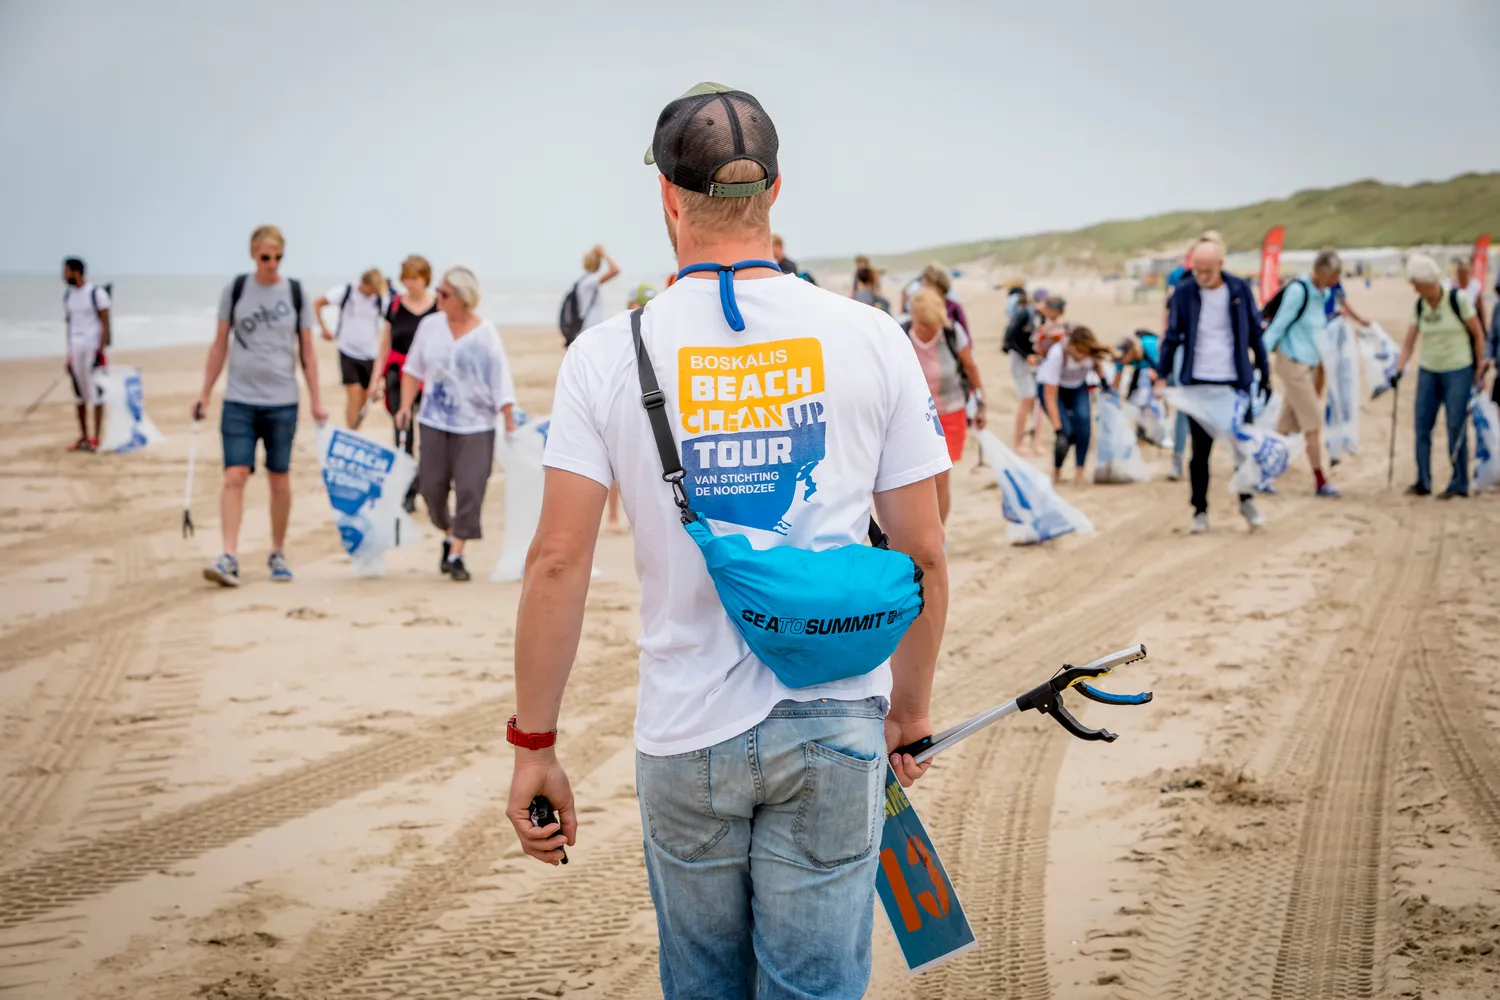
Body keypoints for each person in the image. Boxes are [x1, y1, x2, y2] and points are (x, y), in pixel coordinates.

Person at [507, 84, 947, 999]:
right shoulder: (871, 338)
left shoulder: (607, 354)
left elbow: (557, 561)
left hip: (684, 727)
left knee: (703, 984)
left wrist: (535, 743)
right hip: (835, 713)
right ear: (775, 191)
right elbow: (926, 553)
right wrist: (909, 709)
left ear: (669, 197)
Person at [196, 225, 327, 586]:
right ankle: (229, 556)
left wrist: (316, 399)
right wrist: (204, 393)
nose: (271, 263)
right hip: (239, 400)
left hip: (282, 401)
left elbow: (308, 351)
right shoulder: (236, 290)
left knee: (279, 478)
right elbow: (219, 345)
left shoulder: (296, 292)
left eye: (278, 257)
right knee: (234, 475)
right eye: (265, 257)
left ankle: (278, 552)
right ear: (253, 254)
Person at [396, 267, 516, 580]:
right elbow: (412, 369)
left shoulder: (485, 332)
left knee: (470, 490)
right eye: (438, 291)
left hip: (477, 425)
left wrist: (508, 417)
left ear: (463, 298)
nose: (438, 297)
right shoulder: (430, 326)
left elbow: (500, 377)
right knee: (430, 489)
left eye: (444, 293)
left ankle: (456, 554)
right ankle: (450, 533)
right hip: (434, 421)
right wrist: (405, 407)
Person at [1154, 235, 1269, 534]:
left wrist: (1264, 372)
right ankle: (1200, 510)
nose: (1202, 276)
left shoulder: (1239, 289)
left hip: (1234, 382)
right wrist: (1161, 374)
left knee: (1243, 448)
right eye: (1197, 270)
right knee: (1200, 453)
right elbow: (1172, 336)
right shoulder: (1184, 292)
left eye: (1208, 270)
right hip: (1199, 383)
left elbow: (1255, 334)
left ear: (1220, 265)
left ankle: (1246, 500)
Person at [1394, 253, 1486, 498]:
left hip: (1458, 370)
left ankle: (1459, 482)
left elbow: (1478, 334)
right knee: (1422, 424)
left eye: (1416, 284)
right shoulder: (1420, 306)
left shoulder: (1457, 300)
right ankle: (1423, 480)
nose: (1414, 289)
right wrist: (1399, 369)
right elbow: (1409, 341)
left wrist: (1479, 369)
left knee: (1456, 425)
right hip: (1429, 370)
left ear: (1428, 281)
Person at [1262, 248, 1343, 497]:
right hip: (1292, 363)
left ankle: (1263, 474)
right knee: (1313, 422)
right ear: (1321, 272)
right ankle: (1320, 480)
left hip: (1308, 365)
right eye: (1334, 275)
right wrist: (1259, 358)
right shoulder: (1299, 291)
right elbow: (1278, 325)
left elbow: (1314, 328)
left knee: (1285, 426)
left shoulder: (1323, 294)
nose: (1337, 280)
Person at [905, 288, 985, 521]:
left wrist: (981, 403)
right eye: (926, 325)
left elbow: (970, 367)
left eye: (936, 324)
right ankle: (921, 527)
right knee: (917, 478)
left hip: (950, 412)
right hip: (914, 417)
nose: (933, 329)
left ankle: (939, 532)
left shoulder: (952, 333)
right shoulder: (901, 334)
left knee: (940, 476)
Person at [371, 255, 439, 513]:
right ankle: (407, 492)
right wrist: (376, 378)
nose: (410, 283)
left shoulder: (438, 307)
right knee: (403, 432)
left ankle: (426, 484)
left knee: (430, 436)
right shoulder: (396, 305)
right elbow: (385, 344)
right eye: (406, 278)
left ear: (425, 279)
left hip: (429, 377)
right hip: (398, 375)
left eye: (415, 278)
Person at [315, 268, 388, 428]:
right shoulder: (346, 291)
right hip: (348, 351)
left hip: (370, 354)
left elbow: (391, 321)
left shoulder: (379, 299)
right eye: (371, 290)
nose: (372, 293)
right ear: (364, 283)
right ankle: (351, 432)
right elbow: (317, 303)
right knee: (354, 394)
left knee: (365, 400)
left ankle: (355, 428)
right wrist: (324, 328)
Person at [1039, 326, 1112, 485]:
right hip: (1054, 390)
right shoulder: (1057, 355)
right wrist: (1058, 430)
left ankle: (1079, 472)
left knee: (1084, 425)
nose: (1082, 356)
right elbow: (1049, 396)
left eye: (1086, 353)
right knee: (1066, 433)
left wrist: (1105, 384)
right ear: (1071, 345)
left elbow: (1097, 366)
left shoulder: (1090, 352)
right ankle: (1056, 472)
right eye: (1079, 352)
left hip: (1078, 387)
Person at [61, 257, 110, 452]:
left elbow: (105, 322)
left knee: (97, 393)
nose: (64, 276)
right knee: (79, 394)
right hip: (76, 348)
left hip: (92, 347)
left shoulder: (96, 293)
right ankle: (83, 436)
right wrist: (69, 354)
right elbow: (70, 325)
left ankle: (96, 437)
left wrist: (101, 349)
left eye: (66, 272)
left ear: (76, 272)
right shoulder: (68, 296)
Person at [1002, 287, 1043, 454]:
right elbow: (1010, 340)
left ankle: (1037, 442)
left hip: (1035, 361)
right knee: (1027, 398)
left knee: (1039, 401)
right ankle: (1018, 442)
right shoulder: (1024, 315)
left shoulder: (1041, 317)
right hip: (1020, 359)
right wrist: (1027, 356)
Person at [573, 245, 621, 334]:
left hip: (587, 325)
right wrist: (604, 254)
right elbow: (615, 270)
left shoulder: (584, 280)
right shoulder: (590, 280)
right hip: (591, 326)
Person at [919, 263, 972, 340]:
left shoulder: (954, 308)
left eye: (928, 286)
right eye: (923, 285)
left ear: (939, 286)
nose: (924, 290)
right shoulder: (920, 309)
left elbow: (966, 338)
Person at [1453, 257, 1488, 332]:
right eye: (1460, 272)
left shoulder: (1475, 286)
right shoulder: (1451, 286)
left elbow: (1481, 307)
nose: (1462, 275)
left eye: (1464, 272)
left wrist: (1483, 325)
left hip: (1471, 320)